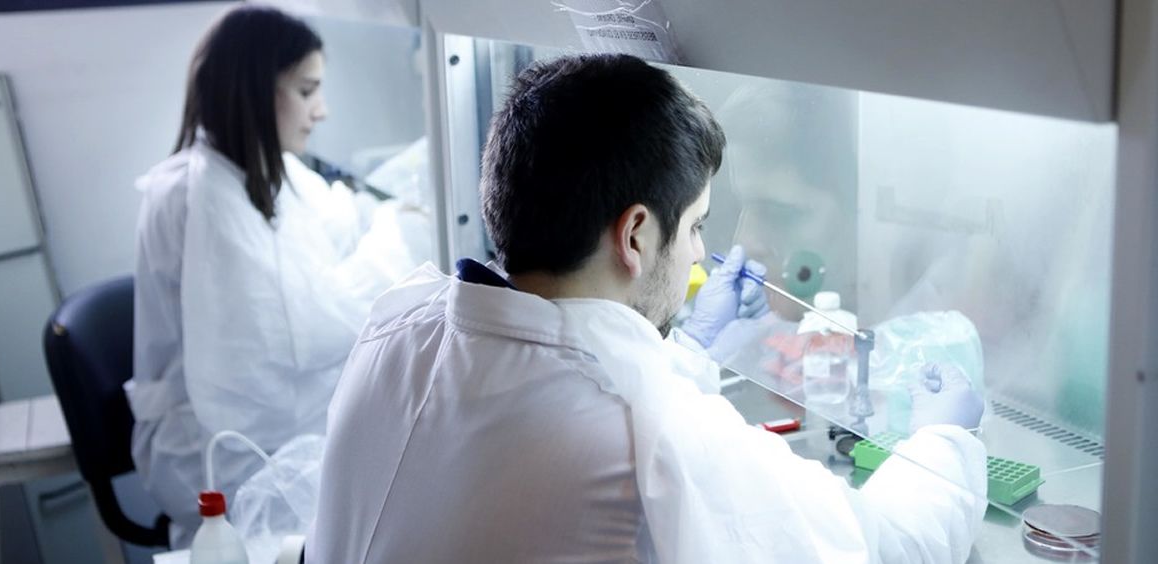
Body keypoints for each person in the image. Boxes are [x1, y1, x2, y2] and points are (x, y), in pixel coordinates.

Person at [308, 53, 986, 563]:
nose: (701, 254)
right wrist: (946, 445)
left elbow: (571, 373)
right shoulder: (656, 440)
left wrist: (685, 351)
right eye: (695, 226)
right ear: (634, 235)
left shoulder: (395, 328)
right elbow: (883, 547)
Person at [125, 5, 430, 547]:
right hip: (210, 451)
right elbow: (301, 334)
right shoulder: (196, 198)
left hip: (245, 423)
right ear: (254, 91)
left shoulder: (265, 170)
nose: (322, 110)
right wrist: (400, 231)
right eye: (307, 91)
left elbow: (336, 224)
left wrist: (402, 200)